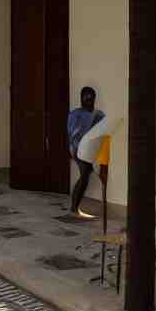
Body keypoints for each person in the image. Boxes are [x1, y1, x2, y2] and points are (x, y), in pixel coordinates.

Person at [67, 86, 105, 216]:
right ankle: (74, 206)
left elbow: (102, 132)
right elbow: (72, 134)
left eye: (91, 97)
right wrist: (77, 150)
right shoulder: (75, 114)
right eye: (86, 97)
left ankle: (75, 206)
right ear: (81, 98)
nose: (89, 100)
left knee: (86, 176)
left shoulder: (99, 114)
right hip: (79, 149)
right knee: (84, 176)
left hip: (92, 150)